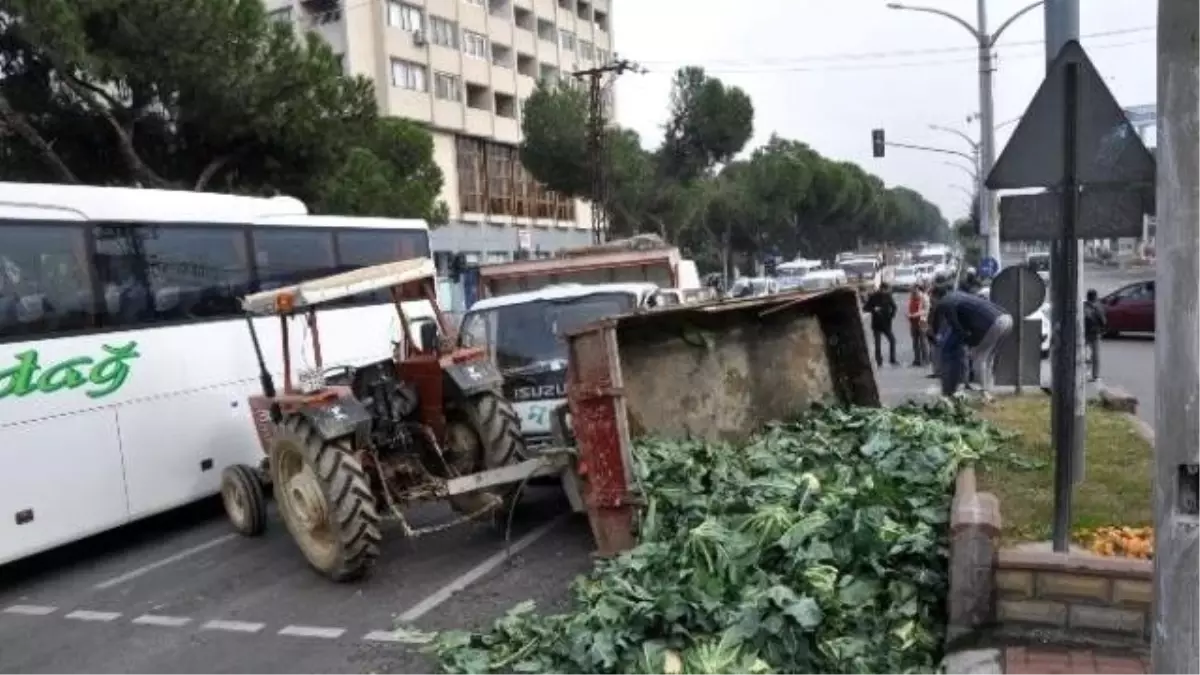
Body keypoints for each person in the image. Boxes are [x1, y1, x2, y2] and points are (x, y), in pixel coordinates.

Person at [932, 290, 1014, 398]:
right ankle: (989, 389)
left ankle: (985, 393)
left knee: (979, 358)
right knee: (989, 357)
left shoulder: (946, 302)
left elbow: (955, 325)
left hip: (994, 322)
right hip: (1007, 318)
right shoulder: (960, 295)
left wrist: (967, 340)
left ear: (936, 297)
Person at [863, 282, 899, 367]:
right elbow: (865, 308)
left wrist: (891, 316)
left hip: (886, 323)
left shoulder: (888, 296)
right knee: (878, 344)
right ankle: (879, 361)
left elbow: (894, 307)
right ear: (882, 288)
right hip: (876, 324)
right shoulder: (873, 297)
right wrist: (873, 309)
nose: (887, 291)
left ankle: (892, 359)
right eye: (886, 289)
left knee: (892, 341)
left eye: (887, 290)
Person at [1083, 288, 1107, 382]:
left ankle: (1082, 371)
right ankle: (1095, 375)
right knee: (1096, 355)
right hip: (1095, 333)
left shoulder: (1083, 306)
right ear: (1095, 297)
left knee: (1080, 352)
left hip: (1084, 333)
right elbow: (1103, 321)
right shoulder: (1098, 307)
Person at [906, 281, 930, 367]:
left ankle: (926, 360)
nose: (912, 291)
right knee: (915, 342)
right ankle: (917, 360)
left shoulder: (924, 297)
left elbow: (926, 311)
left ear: (917, 289)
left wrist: (914, 315)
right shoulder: (911, 297)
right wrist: (908, 315)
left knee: (923, 341)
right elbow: (909, 307)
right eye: (911, 290)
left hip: (923, 321)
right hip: (913, 322)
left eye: (913, 289)